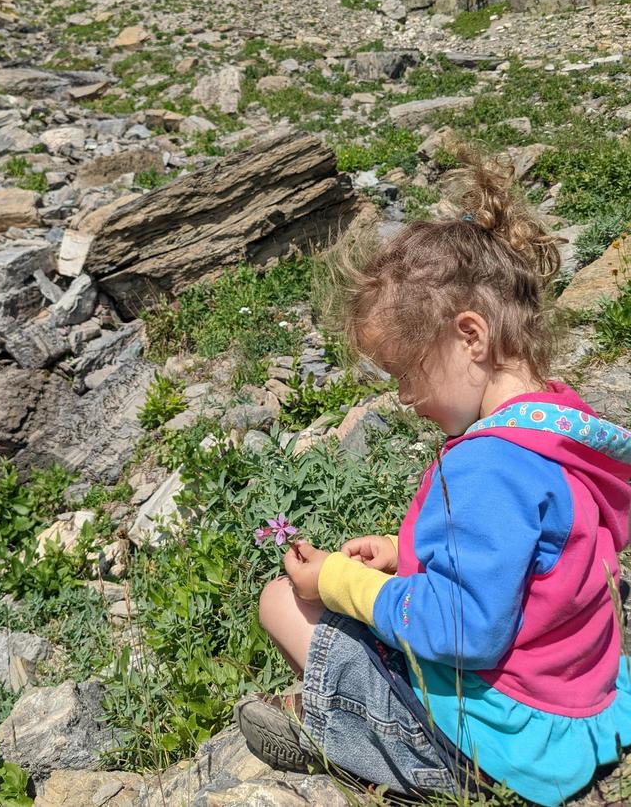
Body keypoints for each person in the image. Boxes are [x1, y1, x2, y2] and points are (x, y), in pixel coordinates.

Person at [235, 153, 631, 805]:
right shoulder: (560, 424)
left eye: (406, 375)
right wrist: (401, 551)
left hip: (501, 746)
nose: (406, 399)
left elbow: (459, 631)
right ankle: (343, 716)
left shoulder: (487, 465)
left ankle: (363, 743)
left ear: (469, 337)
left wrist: (340, 580)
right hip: (574, 706)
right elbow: (529, 556)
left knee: (283, 601)